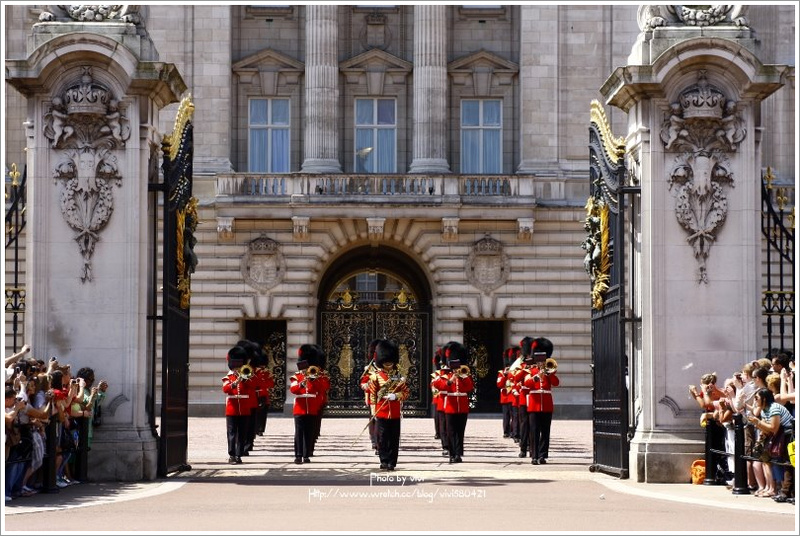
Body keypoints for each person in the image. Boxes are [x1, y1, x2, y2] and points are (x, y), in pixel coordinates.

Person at [368, 339, 409, 471]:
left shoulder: (398, 377)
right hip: (382, 411)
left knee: (394, 438)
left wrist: (395, 396)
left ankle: (392, 462)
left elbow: (406, 392)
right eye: (386, 361)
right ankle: (384, 460)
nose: (388, 364)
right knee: (382, 438)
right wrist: (374, 411)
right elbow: (373, 394)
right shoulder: (376, 376)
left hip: (395, 411)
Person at [433, 341, 474, 464]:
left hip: (462, 407)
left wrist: (463, 376)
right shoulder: (445, 375)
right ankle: (452, 454)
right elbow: (438, 385)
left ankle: (458, 453)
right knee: (451, 431)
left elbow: (469, 388)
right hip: (450, 407)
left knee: (460, 431)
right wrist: (451, 379)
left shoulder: (465, 375)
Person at [289, 344, 330, 464]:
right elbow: (293, 389)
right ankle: (298, 455)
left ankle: (306, 455)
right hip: (299, 408)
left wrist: (314, 379)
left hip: (312, 407)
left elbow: (324, 387)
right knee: (298, 433)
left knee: (309, 432)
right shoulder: (296, 376)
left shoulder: (317, 376)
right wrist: (302, 383)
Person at [524, 337, 559, 465]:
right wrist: (536, 377)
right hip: (534, 405)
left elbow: (556, 383)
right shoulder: (531, 371)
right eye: (539, 361)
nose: (541, 363)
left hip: (547, 406)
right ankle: (534, 455)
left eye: (542, 361)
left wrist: (550, 374)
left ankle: (543, 455)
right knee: (534, 431)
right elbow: (527, 383)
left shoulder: (550, 371)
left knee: (545, 431)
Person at [221, 346, 254, 464]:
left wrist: (244, 379)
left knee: (242, 433)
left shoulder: (247, 377)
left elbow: (251, 388)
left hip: (244, 409)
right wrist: (235, 382)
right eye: (235, 367)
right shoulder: (228, 377)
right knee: (232, 433)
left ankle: (239, 454)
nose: (237, 369)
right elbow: (226, 389)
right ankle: (232, 454)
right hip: (232, 409)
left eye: (239, 367)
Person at [359, 339, 381, 453]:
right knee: (374, 419)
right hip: (372, 397)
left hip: (383, 398)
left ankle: (380, 441)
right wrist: (367, 385)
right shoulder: (369, 369)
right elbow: (363, 382)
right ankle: (374, 440)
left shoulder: (389, 368)